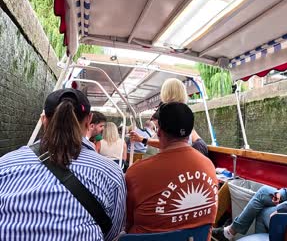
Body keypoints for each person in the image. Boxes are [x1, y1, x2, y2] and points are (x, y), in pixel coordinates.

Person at [0, 89, 126, 240]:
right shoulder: (111, 173)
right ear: (89, 120)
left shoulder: (5, 164)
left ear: (43, 119)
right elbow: (113, 230)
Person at [125, 102, 218, 233]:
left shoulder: (136, 172)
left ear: (159, 132)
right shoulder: (208, 165)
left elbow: (128, 221)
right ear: (190, 132)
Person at [129, 78, 208, 156]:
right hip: (191, 149)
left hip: (186, 152)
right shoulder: (184, 110)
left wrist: (142, 139)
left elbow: (170, 143)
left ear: (166, 93)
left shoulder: (170, 113)